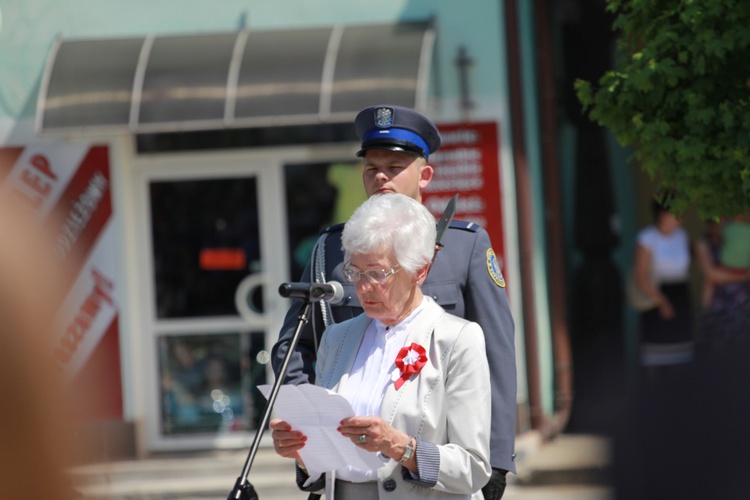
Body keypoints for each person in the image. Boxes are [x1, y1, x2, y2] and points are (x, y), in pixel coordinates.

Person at [271, 104, 516, 498]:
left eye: (396, 165)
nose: (381, 176)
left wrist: (498, 457)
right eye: (372, 168)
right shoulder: (332, 248)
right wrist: (309, 427)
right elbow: (295, 346)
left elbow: (496, 355)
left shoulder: (464, 245)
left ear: (425, 175)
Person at [270, 193, 492, 499]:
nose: (362, 287)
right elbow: (328, 468)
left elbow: (473, 468)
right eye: (355, 272)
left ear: (420, 270)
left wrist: (399, 446)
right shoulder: (337, 338)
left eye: (377, 273)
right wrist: (302, 452)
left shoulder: (456, 339)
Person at [631, 195, 693, 371]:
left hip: (680, 294)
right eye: (676, 211)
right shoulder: (647, 238)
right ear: (662, 213)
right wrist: (662, 302)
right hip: (656, 296)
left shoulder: (682, 235)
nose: (681, 216)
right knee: (657, 358)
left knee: (682, 356)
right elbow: (640, 276)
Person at [694, 219, 750, 356]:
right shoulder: (703, 243)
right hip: (715, 304)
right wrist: (741, 276)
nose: (721, 226)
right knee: (717, 351)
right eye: (716, 222)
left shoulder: (735, 240)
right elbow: (710, 275)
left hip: (740, 303)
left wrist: (724, 273)